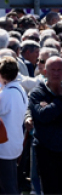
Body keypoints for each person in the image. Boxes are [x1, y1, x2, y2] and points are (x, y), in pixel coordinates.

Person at [28, 56, 62, 195]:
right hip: (46, 152)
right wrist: (60, 100)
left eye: (60, 70)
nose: (56, 73)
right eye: (53, 70)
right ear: (45, 72)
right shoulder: (37, 93)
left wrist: (54, 116)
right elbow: (43, 116)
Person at [0, 56, 27, 194]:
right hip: (15, 142)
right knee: (11, 183)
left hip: (4, 145)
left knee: (7, 186)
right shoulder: (20, 90)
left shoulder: (5, 94)